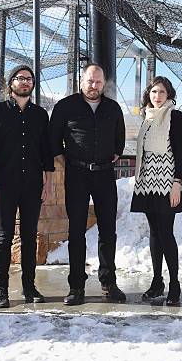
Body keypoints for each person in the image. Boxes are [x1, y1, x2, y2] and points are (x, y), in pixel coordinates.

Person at [49, 63, 127, 306]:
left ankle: (108, 283)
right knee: (76, 231)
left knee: (108, 231)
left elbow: (119, 141)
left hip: (104, 175)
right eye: (90, 81)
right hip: (77, 174)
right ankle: (76, 286)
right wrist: (70, 161)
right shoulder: (65, 106)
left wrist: (113, 153)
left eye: (98, 82)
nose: (94, 86)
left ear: (104, 84)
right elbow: (53, 140)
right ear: (81, 81)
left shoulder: (113, 108)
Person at [0, 64, 55, 309]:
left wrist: (48, 182)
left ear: (33, 85)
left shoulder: (40, 115)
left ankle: (29, 287)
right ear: (11, 83)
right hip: (5, 185)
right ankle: (1, 291)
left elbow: (46, 152)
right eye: (20, 78)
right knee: (4, 238)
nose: (25, 82)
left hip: (33, 185)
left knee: (30, 236)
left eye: (29, 79)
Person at [130, 76, 182, 306]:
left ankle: (175, 284)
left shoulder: (174, 116)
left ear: (169, 95)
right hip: (147, 183)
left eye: (162, 92)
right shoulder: (147, 117)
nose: (157, 96)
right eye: (154, 92)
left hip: (166, 182)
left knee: (166, 232)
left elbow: (181, 151)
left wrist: (178, 182)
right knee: (154, 233)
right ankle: (157, 281)